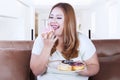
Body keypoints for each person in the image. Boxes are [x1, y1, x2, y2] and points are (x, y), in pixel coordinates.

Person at [30, 2, 99, 80]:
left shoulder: (83, 40)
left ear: (69, 21)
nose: (53, 21)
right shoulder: (41, 39)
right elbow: (36, 71)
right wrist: (46, 47)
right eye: (51, 17)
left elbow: (94, 66)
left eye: (59, 18)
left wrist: (83, 70)